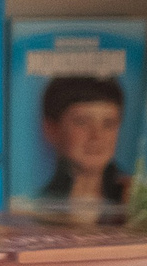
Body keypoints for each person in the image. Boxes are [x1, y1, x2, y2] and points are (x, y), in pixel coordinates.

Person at [36, 74, 133, 224]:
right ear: (51, 130)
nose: (96, 136)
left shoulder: (133, 199)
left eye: (108, 124)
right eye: (82, 122)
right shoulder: (34, 205)